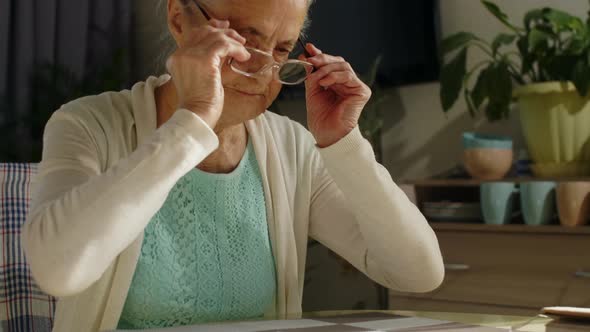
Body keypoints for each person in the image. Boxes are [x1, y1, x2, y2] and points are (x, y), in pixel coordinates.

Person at [22, 0, 444, 331]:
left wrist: (344, 144)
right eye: (244, 41)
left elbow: (419, 272)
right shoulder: (87, 124)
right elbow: (59, 270)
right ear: (179, 20)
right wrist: (195, 119)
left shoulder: (290, 147)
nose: (263, 72)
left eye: (281, 50)